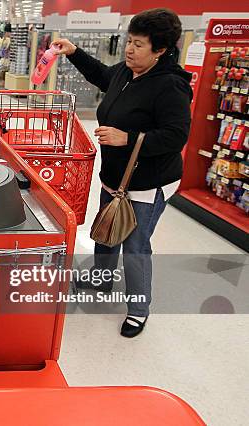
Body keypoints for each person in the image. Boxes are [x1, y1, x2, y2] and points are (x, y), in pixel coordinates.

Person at [54, 8, 192, 338]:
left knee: (135, 246)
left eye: (139, 44)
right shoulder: (127, 72)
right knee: (106, 231)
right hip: (115, 178)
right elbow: (102, 74)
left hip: (147, 182)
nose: (129, 49)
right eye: (129, 41)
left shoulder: (170, 86)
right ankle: (101, 282)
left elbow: (176, 136)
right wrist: (74, 53)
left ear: (161, 50)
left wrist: (126, 138)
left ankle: (139, 309)